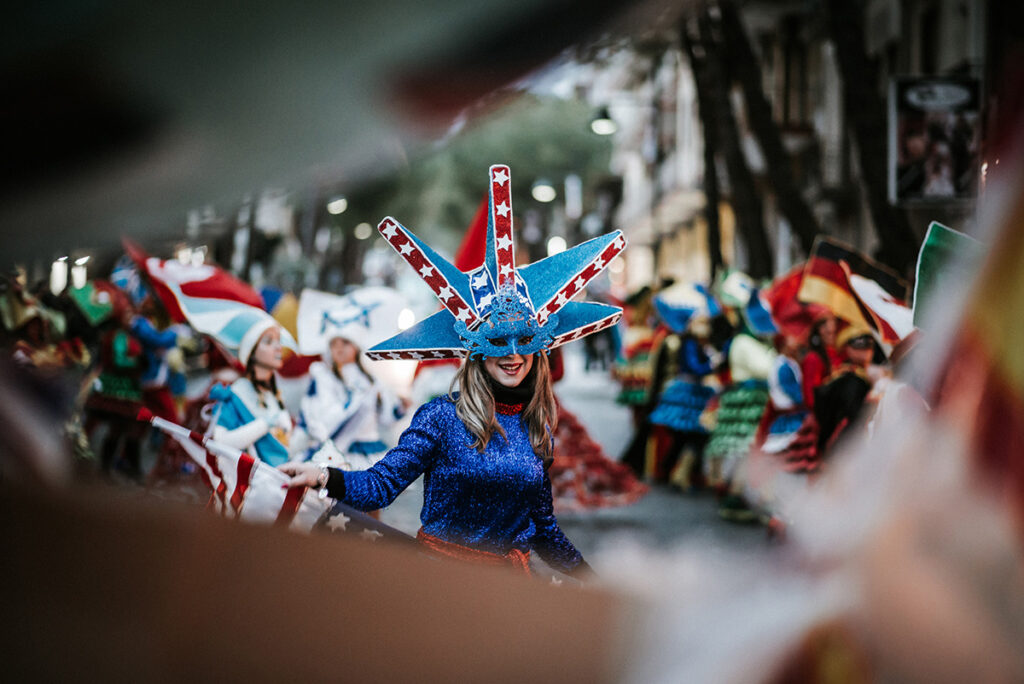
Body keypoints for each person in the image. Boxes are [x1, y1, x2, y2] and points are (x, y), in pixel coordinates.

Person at [280, 164, 623, 577]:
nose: (512, 355)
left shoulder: (538, 428)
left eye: (524, 343)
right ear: (475, 352)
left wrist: (592, 578)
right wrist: (321, 475)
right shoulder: (442, 417)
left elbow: (543, 528)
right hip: (441, 585)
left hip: (511, 588)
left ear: (540, 350)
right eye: (497, 342)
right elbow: (380, 485)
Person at [298, 331, 408, 470]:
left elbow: (386, 420)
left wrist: (400, 407)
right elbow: (321, 416)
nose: (339, 348)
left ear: (356, 346)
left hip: (371, 450)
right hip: (340, 450)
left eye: (345, 342)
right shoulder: (323, 377)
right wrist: (353, 402)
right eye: (334, 344)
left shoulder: (372, 380)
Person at [210, 317, 295, 466]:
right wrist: (265, 424)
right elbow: (220, 442)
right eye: (269, 342)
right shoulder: (237, 394)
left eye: (278, 341)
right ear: (252, 353)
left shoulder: (273, 394)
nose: (278, 347)